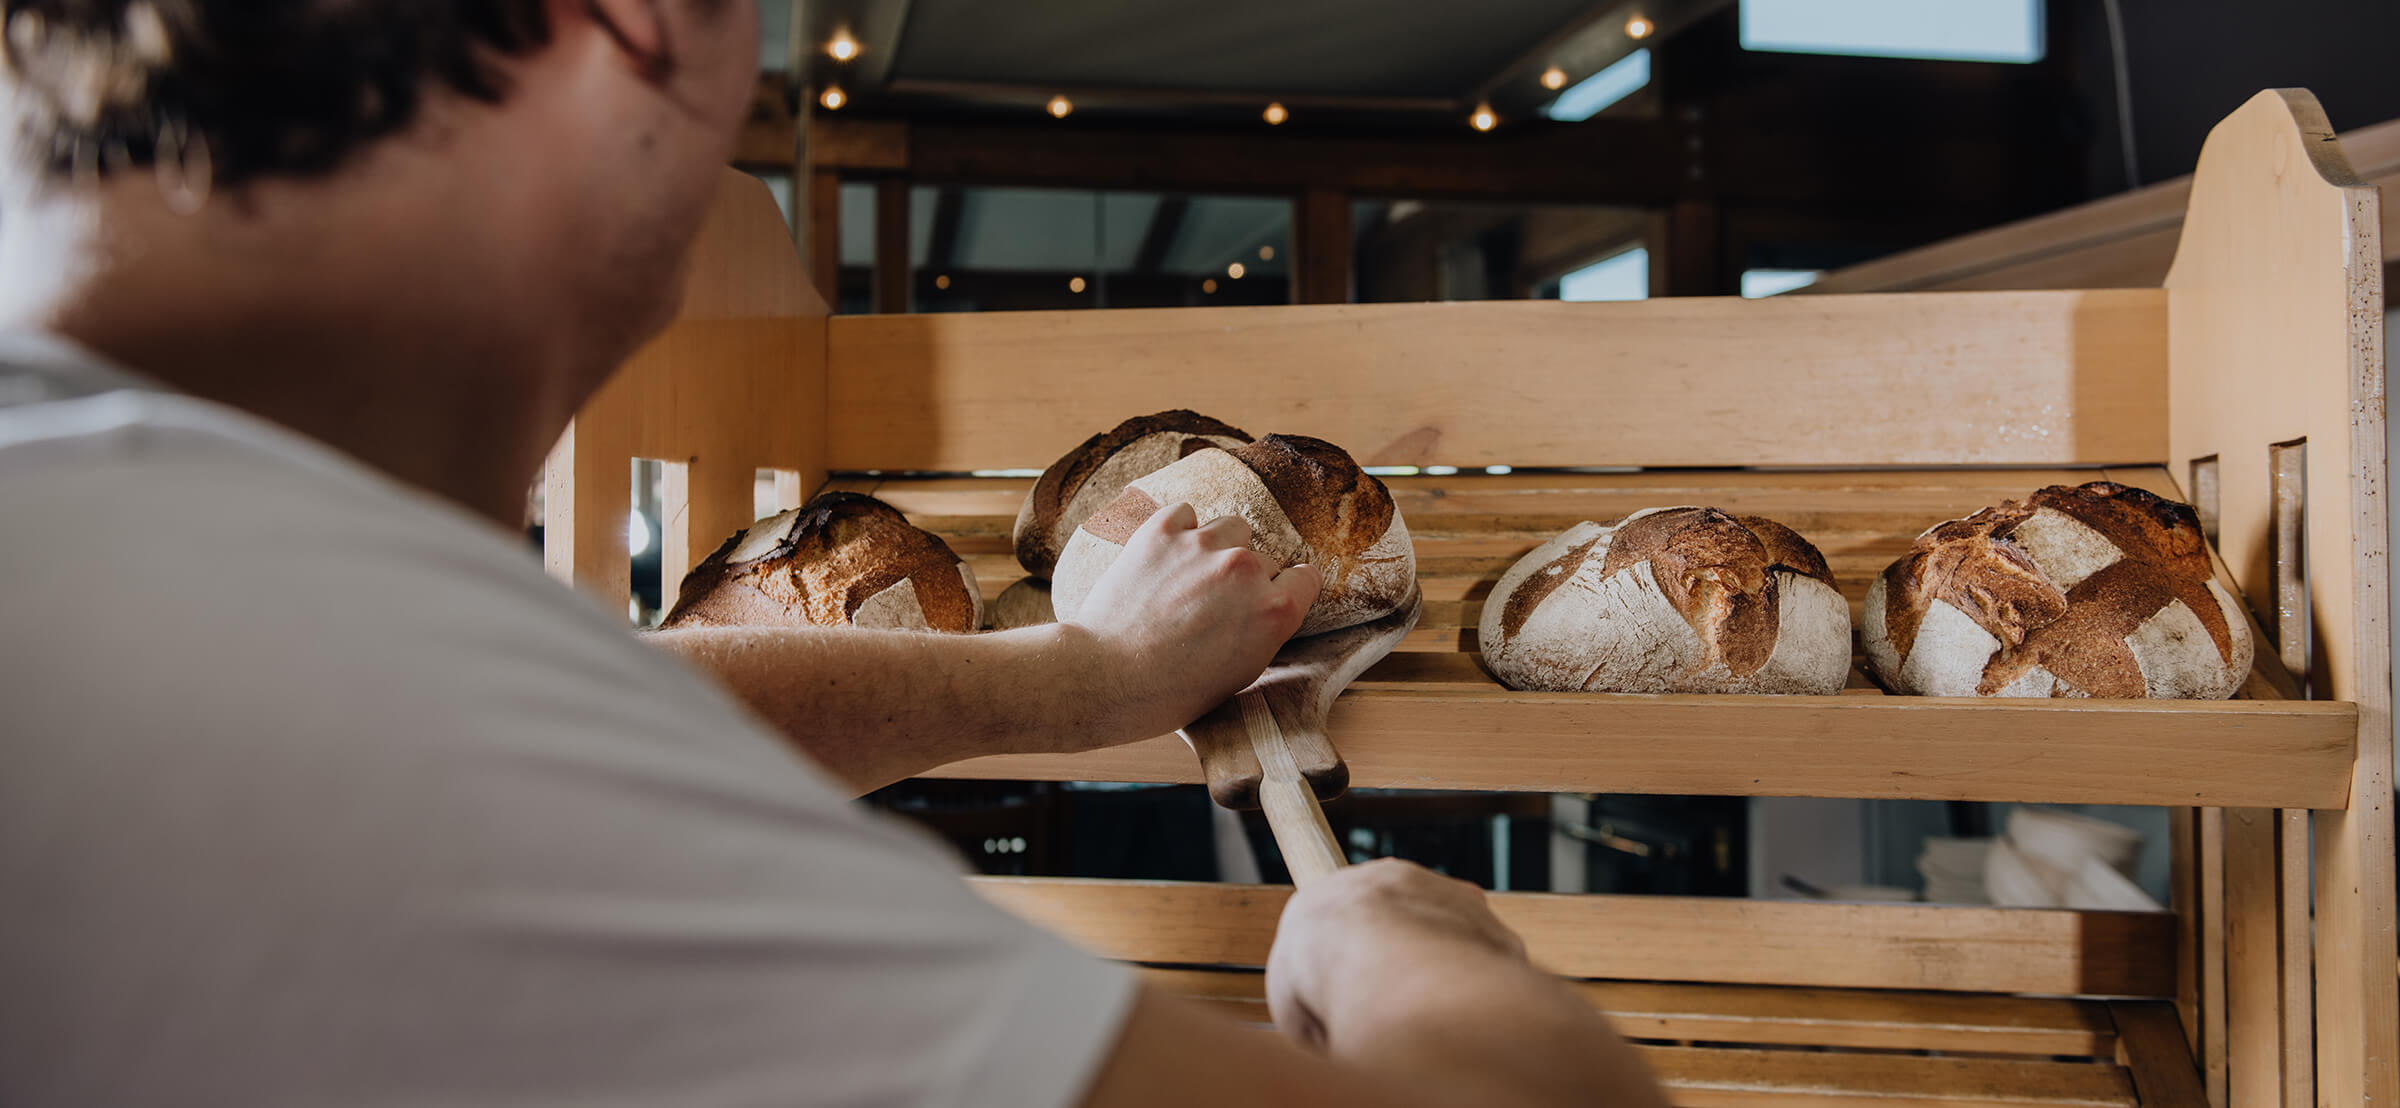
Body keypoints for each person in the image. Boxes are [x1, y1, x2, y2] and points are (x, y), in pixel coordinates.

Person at [0, 3, 1667, 1106]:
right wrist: (1404, 945)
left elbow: (605, 716)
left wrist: (1076, 677)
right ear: (636, 22)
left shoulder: (141, 560)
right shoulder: (349, 743)